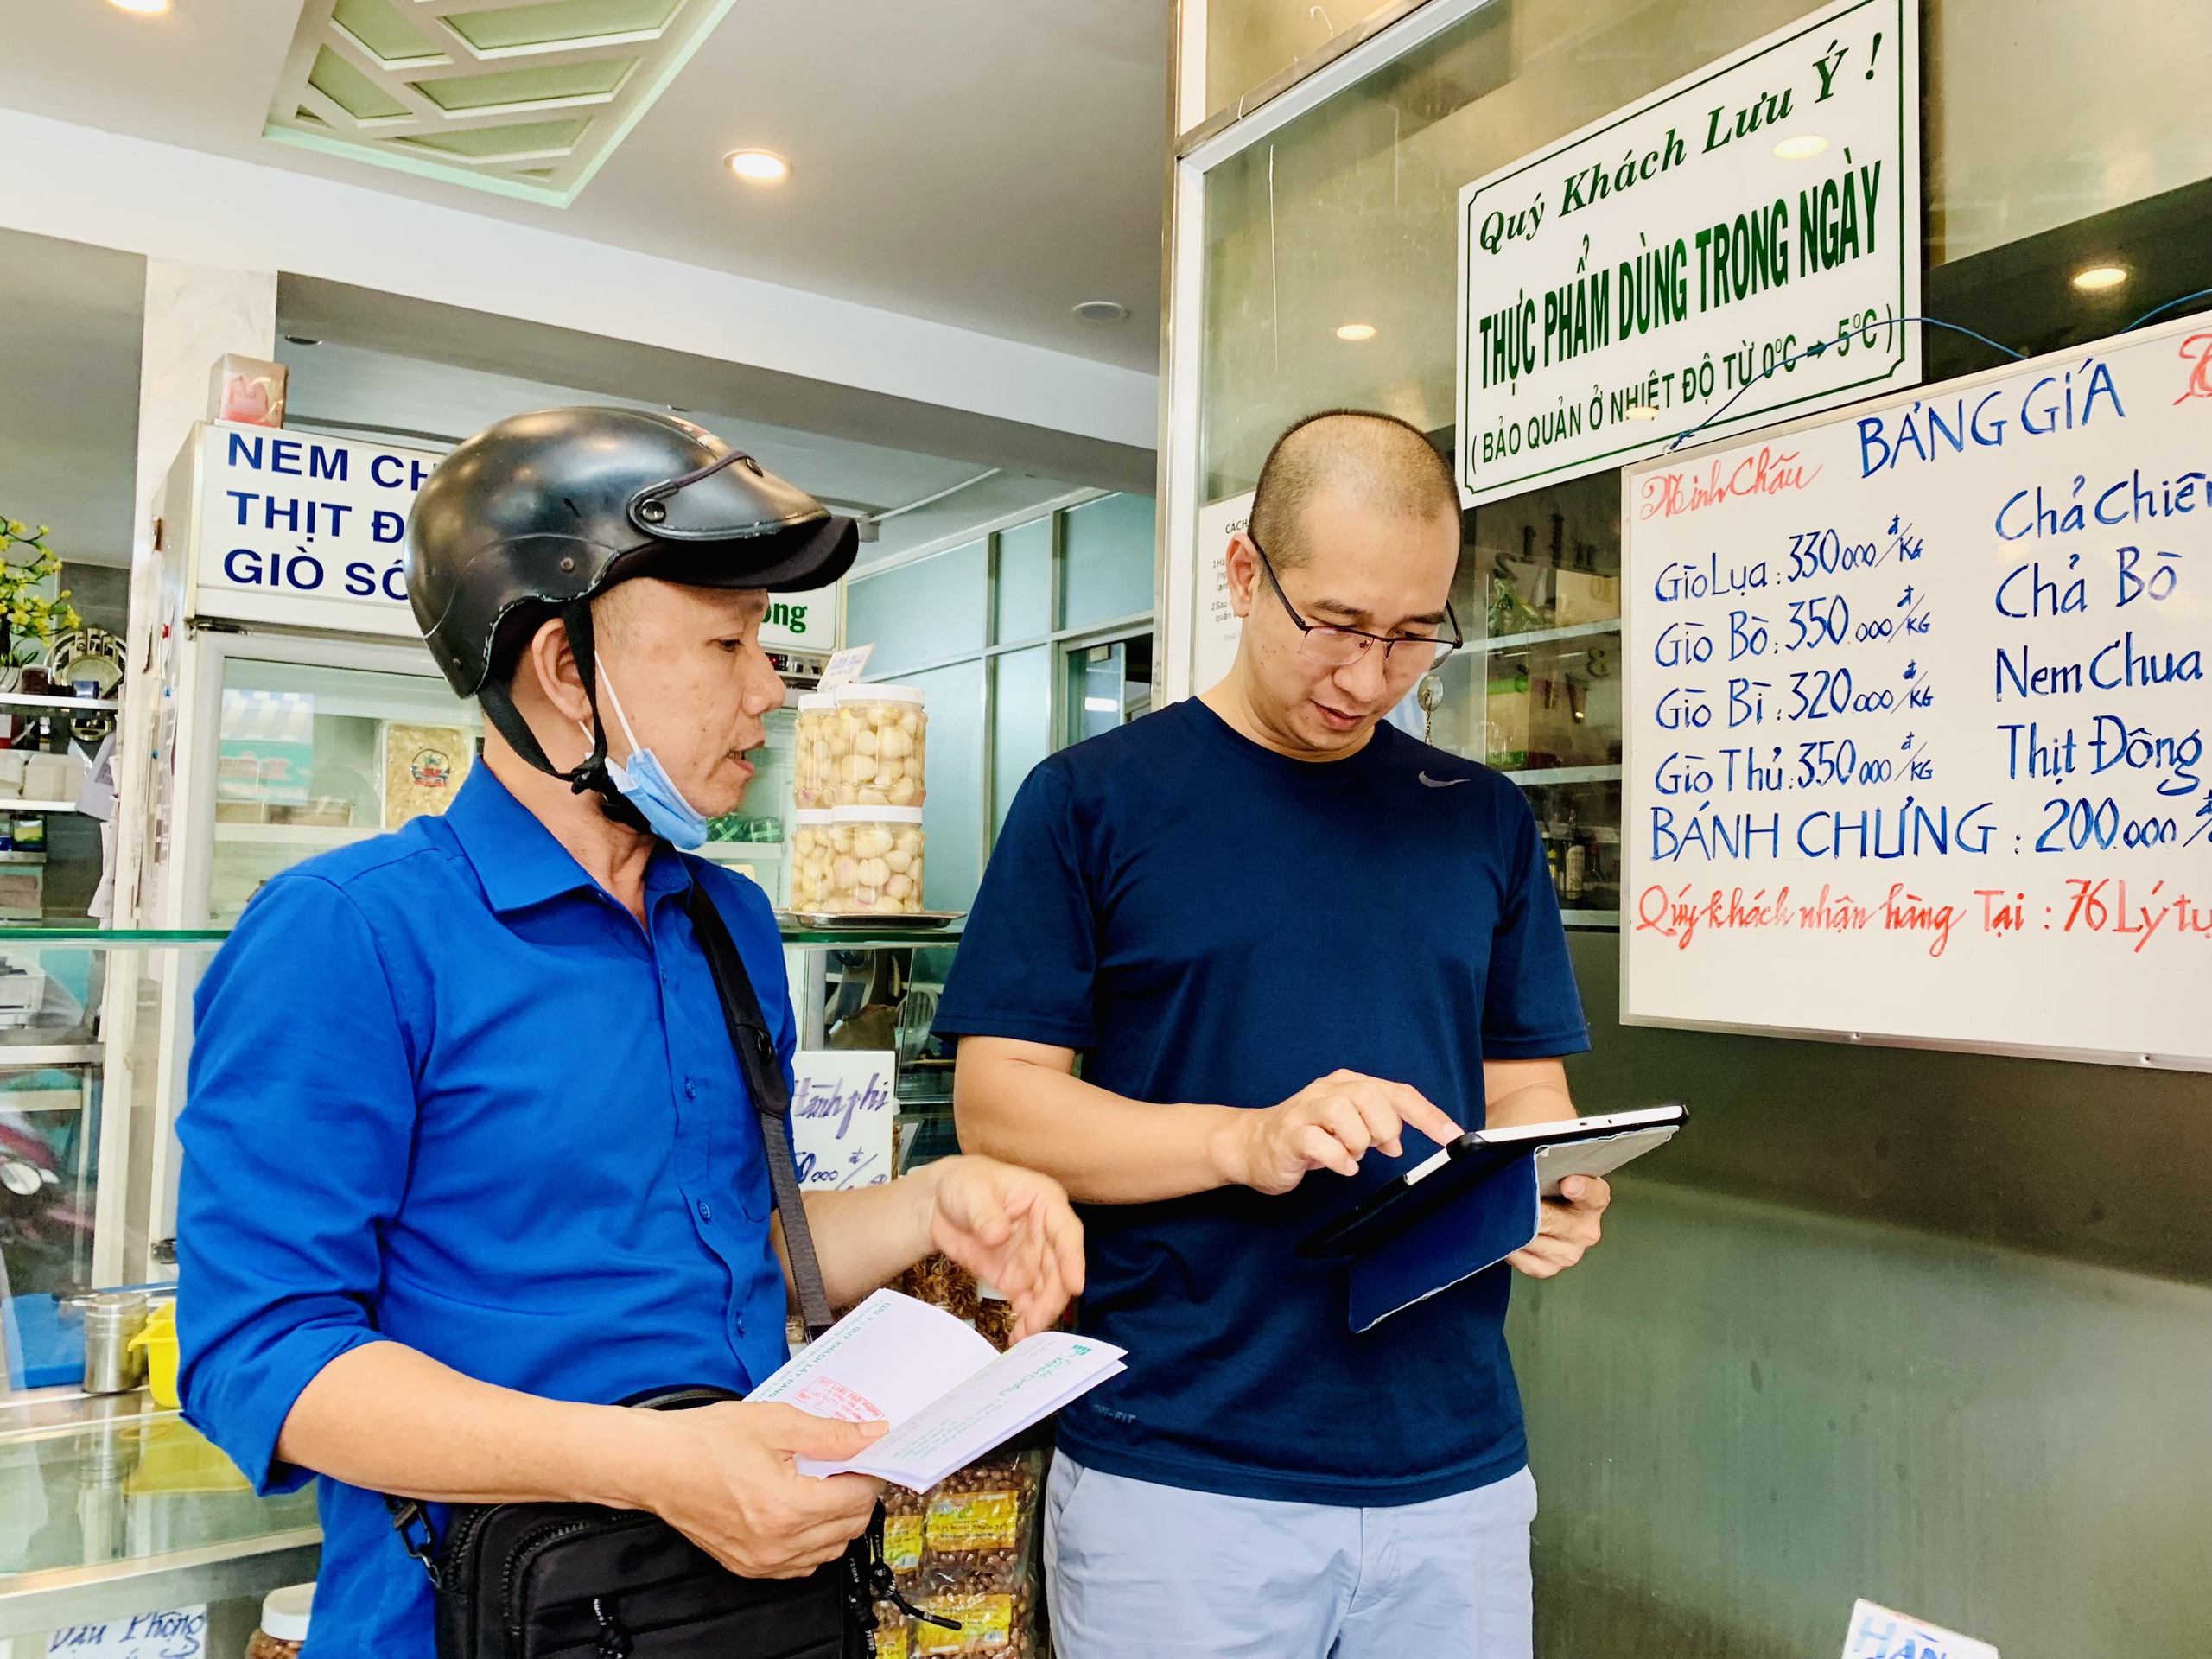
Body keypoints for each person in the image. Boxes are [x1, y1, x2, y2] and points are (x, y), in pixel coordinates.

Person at [176, 409, 1084, 1659]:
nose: (769, 688)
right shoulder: (347, 936)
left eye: (764, 640)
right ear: (563, 666)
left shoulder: (724, 920)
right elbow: (262, 1353)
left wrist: (939, 1203)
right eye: (725, 640)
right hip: (473, 1620)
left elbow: (729, 1238)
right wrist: (655, 1465)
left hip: (734, 1608)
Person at [937, 409, 1611, 1659]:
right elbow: (1001, 1107)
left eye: (1415, 636)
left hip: (1452, 1467)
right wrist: (1245, 1139)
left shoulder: (1481, 819)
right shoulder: (1091, 804)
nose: (1368, 676)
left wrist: (1552, 1177)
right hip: (1184, 1471)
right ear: (1245, 575)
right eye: (1339, 626)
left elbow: (1524, 1089)